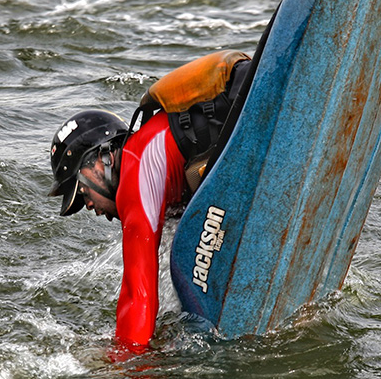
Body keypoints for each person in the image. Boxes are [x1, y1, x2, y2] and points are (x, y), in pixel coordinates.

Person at [48, 50, 252, 353]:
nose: (88, 206)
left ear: (100, 160)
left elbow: (136, 293)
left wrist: (129, 363)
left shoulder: (135, 168)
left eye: (81, 193)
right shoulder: (157, 168)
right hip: (251, 92)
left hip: (249, 98)